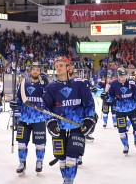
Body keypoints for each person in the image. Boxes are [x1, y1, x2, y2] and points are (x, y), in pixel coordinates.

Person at [43, 56, 96, 184]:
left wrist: (89, 120)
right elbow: (46, 108)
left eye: (61, 65)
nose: (58, 68)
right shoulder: (51, 88)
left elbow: (89, 104)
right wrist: (50, 122)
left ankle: (69, 181)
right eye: (56, 66)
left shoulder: (80, 84)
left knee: (72, 158)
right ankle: (66, 179)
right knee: (62, 159)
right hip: (59, 128)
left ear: (68, 67)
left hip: (77, 127)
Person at [9, 62, 49, 175]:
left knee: (40, 144)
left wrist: (47, 85)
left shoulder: (44, 85)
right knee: (21, 143)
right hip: (24, 118)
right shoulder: (23, 84)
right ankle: (22, 163)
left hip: (39, 119)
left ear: (40, 71)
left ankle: (39, 162)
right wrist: (14, 105)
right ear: (30, 71)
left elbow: (49, 99)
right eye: (33, 69)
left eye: (37, 69)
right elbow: (19, 100)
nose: (35, 71)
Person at [102, 67, 136, 155]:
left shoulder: (132, 83)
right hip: (120, 110)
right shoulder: (113, 84)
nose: (124, 77)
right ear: (118, 75)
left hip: (132, 109)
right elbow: (111, 97)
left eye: (125, 75)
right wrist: (105, 97)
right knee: (121, 130)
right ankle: (125, 145)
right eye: (122, 75)